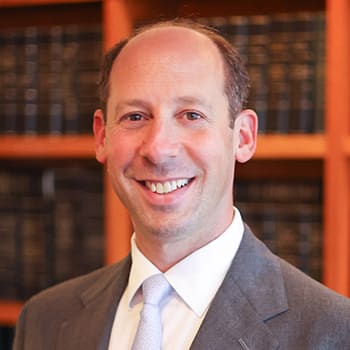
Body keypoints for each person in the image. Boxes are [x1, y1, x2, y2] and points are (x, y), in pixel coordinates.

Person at [13, 18, 350, 350]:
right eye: (135, 117)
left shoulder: (333, 332)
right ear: (101, 136)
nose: (159, 149)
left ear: (244, 137)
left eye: (191, 115)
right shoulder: (44, 319)